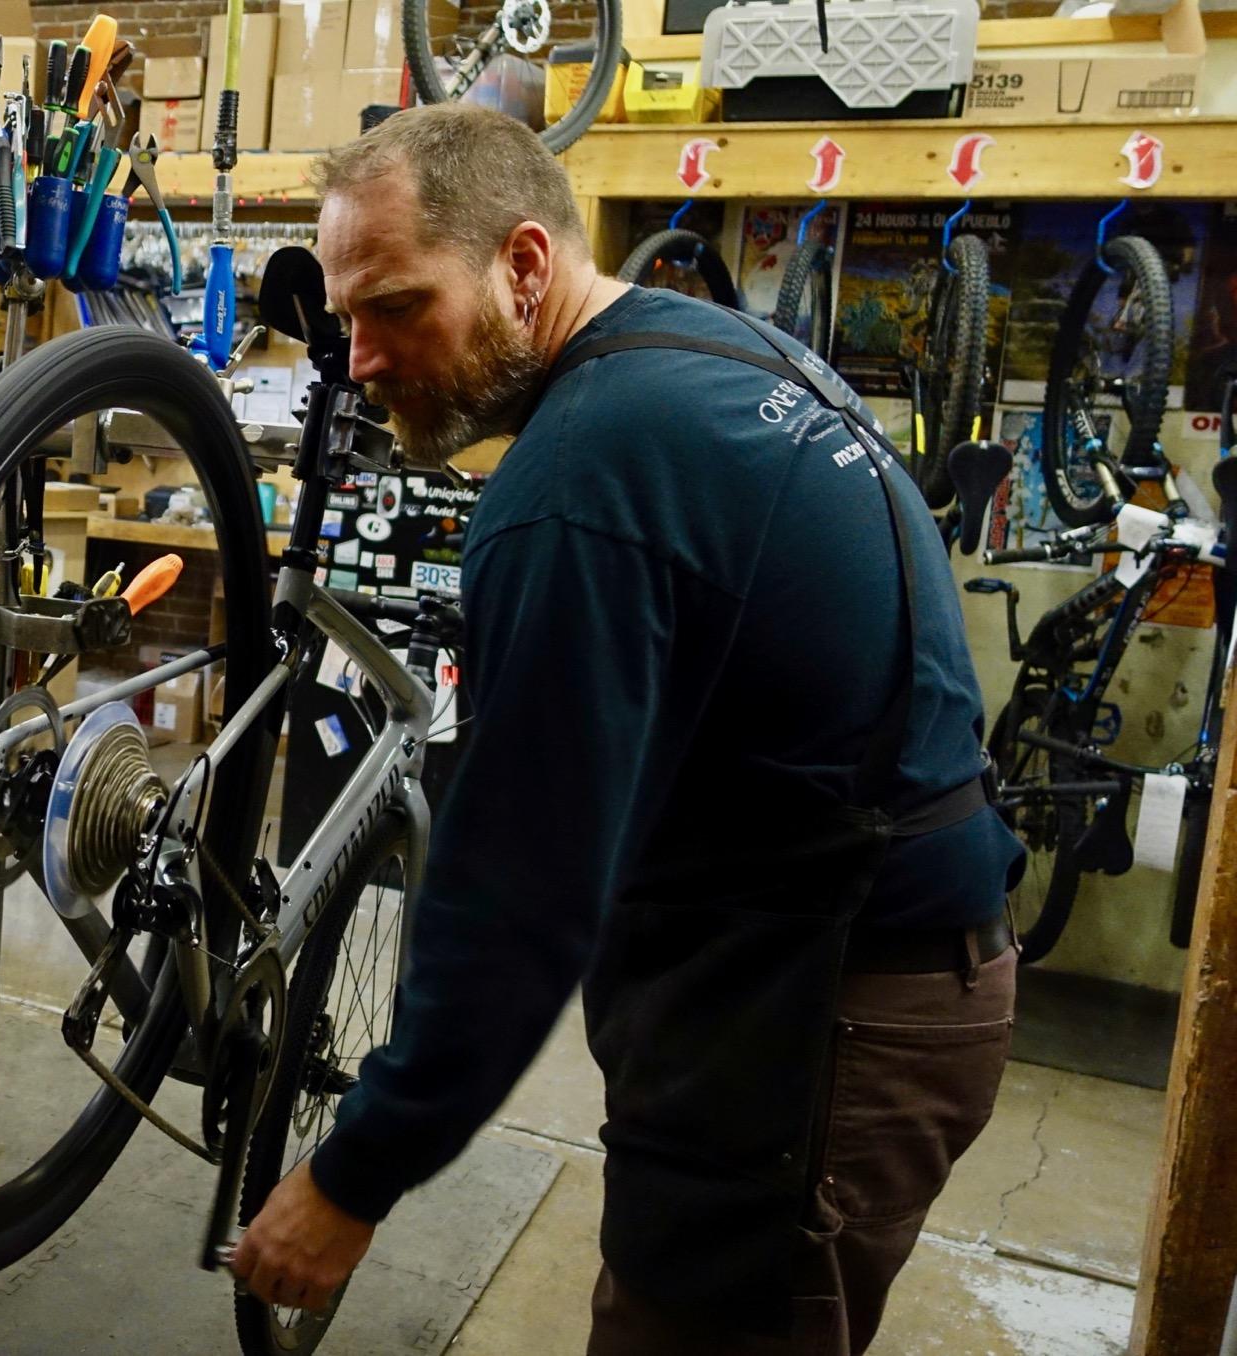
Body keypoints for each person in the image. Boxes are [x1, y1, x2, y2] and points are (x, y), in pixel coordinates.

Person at [228, 104, 1026, 1356]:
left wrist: (354, 1173)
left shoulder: (576, 490)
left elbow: (516, 895)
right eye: (342, 321)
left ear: (525, 266)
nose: (362, 357)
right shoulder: (703, 356)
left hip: (825, 1014)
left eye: (393, 307)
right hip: (851, 961)